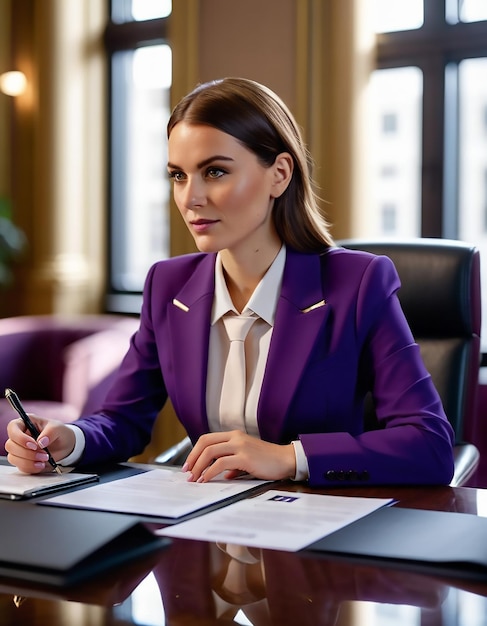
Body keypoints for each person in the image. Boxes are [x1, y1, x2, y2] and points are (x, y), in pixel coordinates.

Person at [5, 77, 455, 486]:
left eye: (215, 172)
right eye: (178, 175)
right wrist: (70, 439)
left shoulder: (358, 282)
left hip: (322, 541)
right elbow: (123, 420)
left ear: (279, 174)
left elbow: (429, 444)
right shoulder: (168, 285)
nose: (190, 197)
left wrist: (287, 457)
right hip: (206, 529)